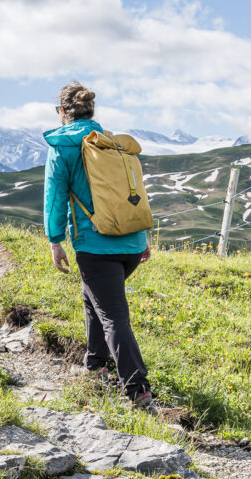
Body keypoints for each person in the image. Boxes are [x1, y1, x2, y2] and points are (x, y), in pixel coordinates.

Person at [43, 82, 154, 408]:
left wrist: (55, 240)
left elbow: (55, 198)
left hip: (96, 246)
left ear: (62, 112)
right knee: (93, 298)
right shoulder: (111, 143)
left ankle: (138, 390)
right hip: (132, 243)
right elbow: (133, 195)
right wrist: (143, 237)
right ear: (91, 112)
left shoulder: (63, 146)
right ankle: (95, 366)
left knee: (113, 317)